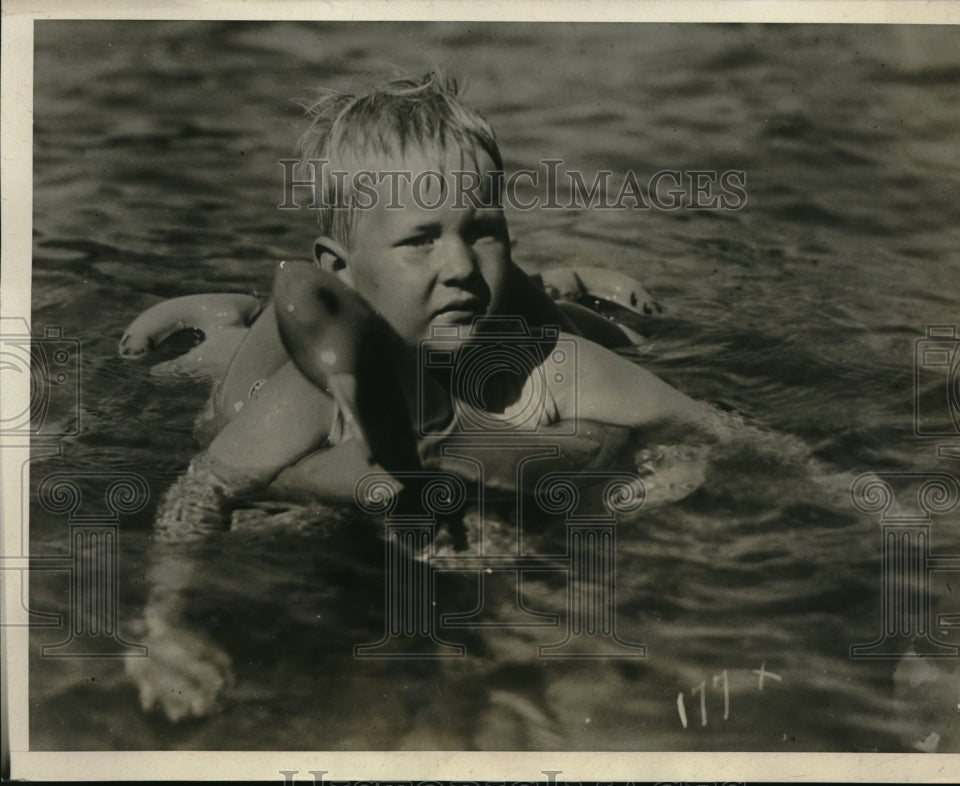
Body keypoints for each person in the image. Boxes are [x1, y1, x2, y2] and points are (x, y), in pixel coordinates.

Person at [123, 73, 724, 720]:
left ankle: (574, 281)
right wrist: (165, 625)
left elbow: (714, 429)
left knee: (603, 330)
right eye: (420, 239)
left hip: (522, 346)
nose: (461, 265)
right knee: (225, 375)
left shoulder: (545, 363)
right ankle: (224, 317)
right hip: (306, 361)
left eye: (484, 230)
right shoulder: (308, 391)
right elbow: (200, 492)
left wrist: (662, 480)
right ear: (341, 270)